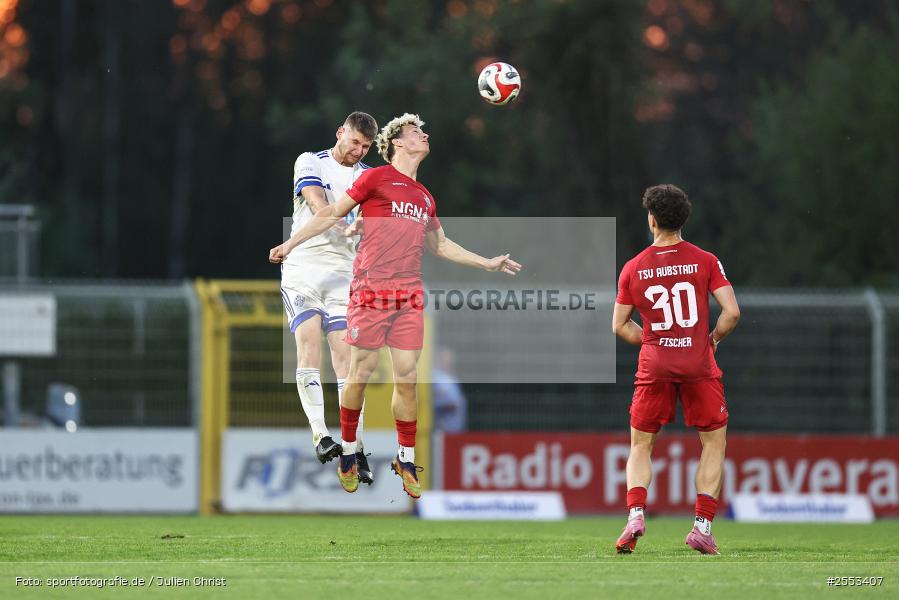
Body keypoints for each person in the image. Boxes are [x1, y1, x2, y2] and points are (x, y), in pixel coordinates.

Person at [270, 113, 521, 498]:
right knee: (360, 374)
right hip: (370, 289)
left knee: (408, 377)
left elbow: (440, 245)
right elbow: (329, 214)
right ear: (399, 143)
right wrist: (290, 244)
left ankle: (405, 457)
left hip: (408, 295)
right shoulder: (374, 178)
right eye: (417, 132)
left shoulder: (425, 197)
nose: (425, 135)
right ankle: (350, 451)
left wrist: (486, 262)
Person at [612, 184, 740, 555]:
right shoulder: (705, 260)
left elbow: (619, 325)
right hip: (699, 362)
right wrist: (712, 338)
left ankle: (635, 515)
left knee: (641, 444)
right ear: (683, 219)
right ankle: (701, 526)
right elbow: (732, 312)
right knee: (713, 443)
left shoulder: (634, 267)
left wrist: (653, 340)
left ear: (652, 220)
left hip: (655, 364)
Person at [280, 111, 378, 484]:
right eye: (354, 142)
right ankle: (322, 436)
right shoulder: (310, 161)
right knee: (309, 347)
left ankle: (355, 449)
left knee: (346, 360)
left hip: (343, 273)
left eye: (366, 146)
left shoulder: (368, 176)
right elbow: (318, 205)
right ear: (340, 133)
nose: (358, 150)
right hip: (303, 265)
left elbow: (372, 220)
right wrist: (345, 224)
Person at [431, 347, 467, 433]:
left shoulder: (451, 377)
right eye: (445, 358)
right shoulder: (435, 376)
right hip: (442, 428)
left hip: (455, 428)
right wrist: (451, 405)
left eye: (450, 358)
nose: (449, 361)